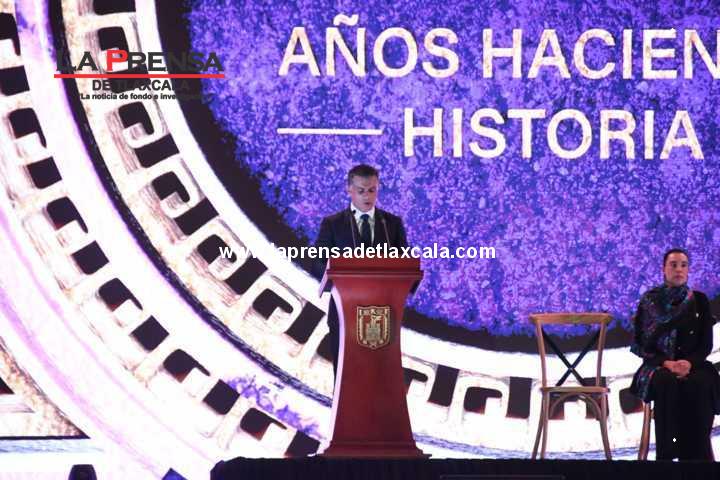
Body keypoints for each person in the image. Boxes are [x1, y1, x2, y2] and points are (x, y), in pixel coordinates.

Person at [312, 164, 408, 378]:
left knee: (378, 379)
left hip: (382, 313)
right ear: (349, 190)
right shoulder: (333, 224)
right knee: (346, 377)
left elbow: (405, 264)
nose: (367, 196)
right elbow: (317, 262)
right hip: (344, 312)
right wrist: (337, 271)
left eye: (372, 190)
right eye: (361, 190)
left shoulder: (391, 224)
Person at [630, 248, 720, 460]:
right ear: (664, 269)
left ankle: (698, 456)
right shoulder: (650, 301)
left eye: (683, 265)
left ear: (688, 270)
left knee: (700, 383)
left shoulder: (699, 300)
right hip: (658, 365)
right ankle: (667, 457)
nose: (679, 269)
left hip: (693, 364)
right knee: (666, 382)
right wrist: (667, 363)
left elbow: (705, 344)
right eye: (673, 265)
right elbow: (642, 344)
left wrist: (688, 363)